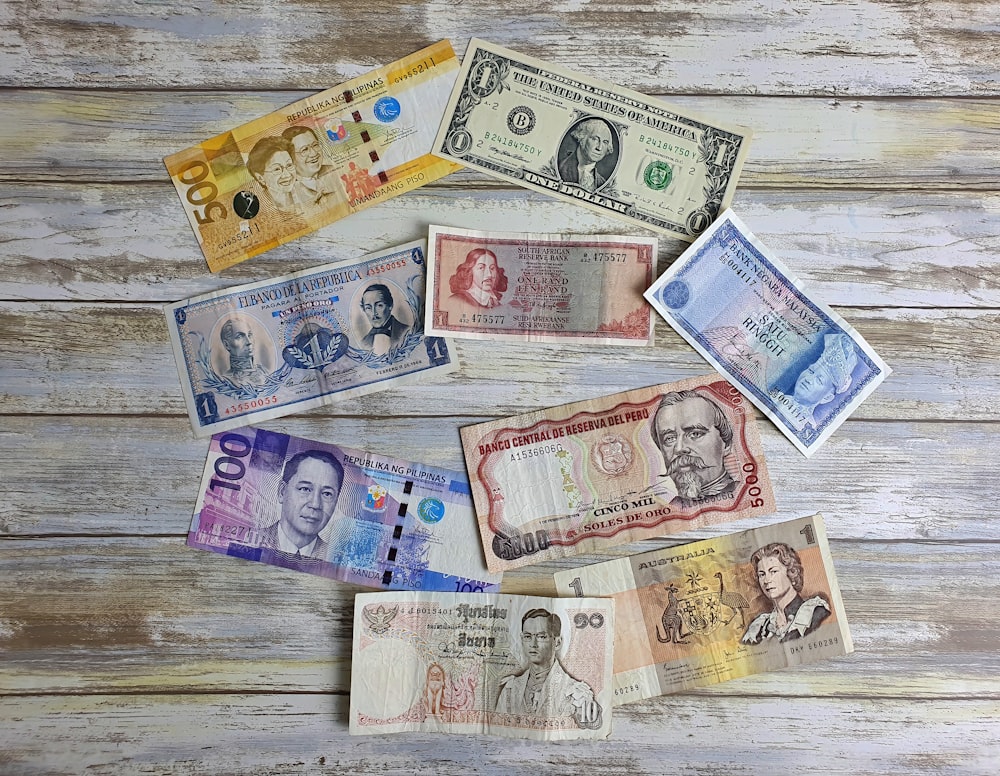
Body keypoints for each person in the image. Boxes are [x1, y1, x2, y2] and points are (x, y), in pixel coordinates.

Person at [495, 609, 602, 728]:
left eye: (541, 636)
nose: (533, 644)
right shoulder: (510, 688)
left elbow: (589, 730)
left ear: (557, 643)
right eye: (527, 636)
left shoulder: (577, 692)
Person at [652, 389, 737, 506]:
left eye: (695, 434)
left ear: (726, 443)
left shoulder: (741, 493)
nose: (679, 448)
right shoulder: (670, 508)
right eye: (669, 438)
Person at [260, 450, 344, 559]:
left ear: (336, 501)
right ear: (282, 491)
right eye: (305, 489)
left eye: (327, 494)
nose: (315, 504)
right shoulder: (250, 539)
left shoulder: (336, 558)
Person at [741, 543, 831, 644]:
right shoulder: (760, 627)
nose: (766, 580)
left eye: (773, 571)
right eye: (762, 574)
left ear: (791, 572)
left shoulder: (814, 613)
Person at [772, 332, 859, 430]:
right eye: (810, 371)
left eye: (819, 380)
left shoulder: (807, 427)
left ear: (827, 398)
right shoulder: (773, 397)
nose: (809, 379)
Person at [281, 125, 339, 208]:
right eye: (304, 150)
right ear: (290, 158)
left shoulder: (336, 170)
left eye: (315, 145)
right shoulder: (286, 193)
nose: (314, 153)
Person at [246, 135, 302, 213]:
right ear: (260, 178)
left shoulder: (307, 191)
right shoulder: (256, 209)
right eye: (277, 169)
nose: (287, 175)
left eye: (289, 165)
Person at [557, 118, 616, 192]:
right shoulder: (560, 167)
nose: (599, 148)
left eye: (605, 142)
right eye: (595, 139)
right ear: (582, 138)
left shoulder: (602, 183)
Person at [359, 283, 411, 355]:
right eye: (368, 308)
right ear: (364, 310)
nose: (374, 313)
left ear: (390, 305)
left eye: (379, 305)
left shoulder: (407, 332)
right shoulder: (364, 343)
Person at [219, 315, 269, 386]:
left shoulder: (265, 372)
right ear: (227, 345)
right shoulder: (226, 381)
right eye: (239, 336)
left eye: (249, 335)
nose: (249, 342)